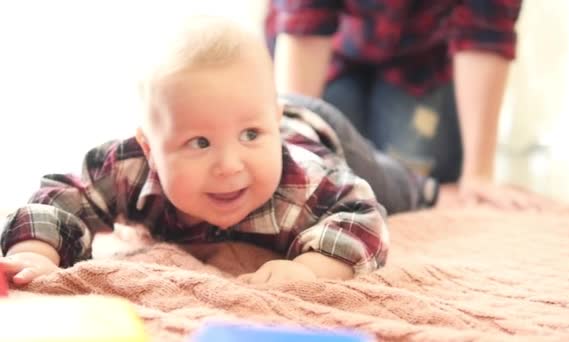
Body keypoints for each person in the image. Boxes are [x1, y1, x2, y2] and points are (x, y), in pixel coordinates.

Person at [0, 16, 437, 286]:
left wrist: (314, 268)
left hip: (319, 127)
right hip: (267, 108)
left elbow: (364, 215)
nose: (229, 167)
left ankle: (424, 185)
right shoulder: (128, 167)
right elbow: (63, 195)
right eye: (200, 143)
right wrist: (35, 252)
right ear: (151, 150)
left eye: (250, 136)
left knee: (391, 186)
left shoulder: (303, 180)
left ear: (270, 123)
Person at [266, 0, 526, 206]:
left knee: (410, 179)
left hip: (427, 58)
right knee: (328, 158)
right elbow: (306, 24)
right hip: (336, 52)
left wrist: (478, 173)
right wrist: (292, 152)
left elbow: (486, 31)